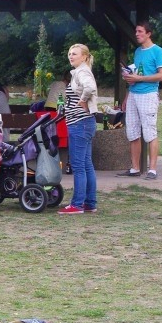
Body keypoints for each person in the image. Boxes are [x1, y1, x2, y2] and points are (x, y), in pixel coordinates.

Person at [119, 21, 162, 179]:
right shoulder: (138, 51)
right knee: (132, 132)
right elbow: (136, 74)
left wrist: (140, 78)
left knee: (150, 132)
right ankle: (135, 168)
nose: (137, 34)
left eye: (140, 31)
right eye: (136, 31)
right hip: (133, 94)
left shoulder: (157, 51)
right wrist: (128, 89)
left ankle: (152, 169)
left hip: (148, 94)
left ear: (148, 33)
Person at [58, 44, 99, 215]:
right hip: (85, 123)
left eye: (74, 54)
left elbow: (90, 88)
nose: (70, 56)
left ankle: (77, 204)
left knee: (78, 166)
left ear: (84, 57)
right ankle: (90, 202)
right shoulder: (80, 71)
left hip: (79, 124)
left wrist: (82, 101)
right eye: (69, 53)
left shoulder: (82, 72)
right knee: (87, 165)